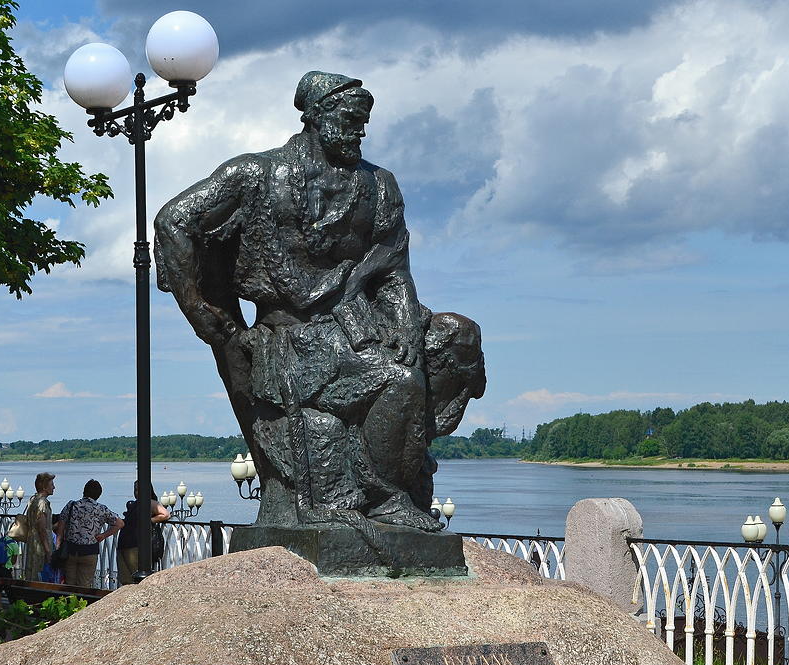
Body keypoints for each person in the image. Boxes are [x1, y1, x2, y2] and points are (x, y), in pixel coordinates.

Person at [155, 70, 485, 535]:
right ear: (313, 114)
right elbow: (174, 221)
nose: (359, 131)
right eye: (350, 119)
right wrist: (202, 312)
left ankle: (394, 490)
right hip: (288, 335)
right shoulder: (255, 174)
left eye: (364, 122)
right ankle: (381, 497)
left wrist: (407, 328)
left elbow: (394, 268)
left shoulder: (379, 184)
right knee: (401, 381)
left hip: (359, 322)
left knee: (455, 340)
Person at [56, 479, 123, 589]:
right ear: (98, 495)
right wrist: (104, 535)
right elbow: (120, 523)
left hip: (70, 551)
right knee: (84, 586)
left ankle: (69, 604)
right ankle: (82, 605)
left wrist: (58, 545)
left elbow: (61, 526)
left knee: (68, 584)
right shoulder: (101, 509)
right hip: (90, 551)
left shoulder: (72, 505)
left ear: (84, 492)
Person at [116, 481, 169, 587]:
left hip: (135, 545)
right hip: (125, 543)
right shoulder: (134, 504)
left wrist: (149, 521)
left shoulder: (149, 502)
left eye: (139, 489)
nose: (136, 492)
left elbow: (165, 514)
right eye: (135, 489)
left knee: (136, 577)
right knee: (125, 578)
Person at [22, 472, 56, 584]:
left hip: (32, 540)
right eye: (51, 485)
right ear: (44, 487)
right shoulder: (42, 503)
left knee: (32, 572)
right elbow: (42, 528)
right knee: (40, 574)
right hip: (39, 545)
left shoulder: (33, 500)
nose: (54, 487)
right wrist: (47, 551)